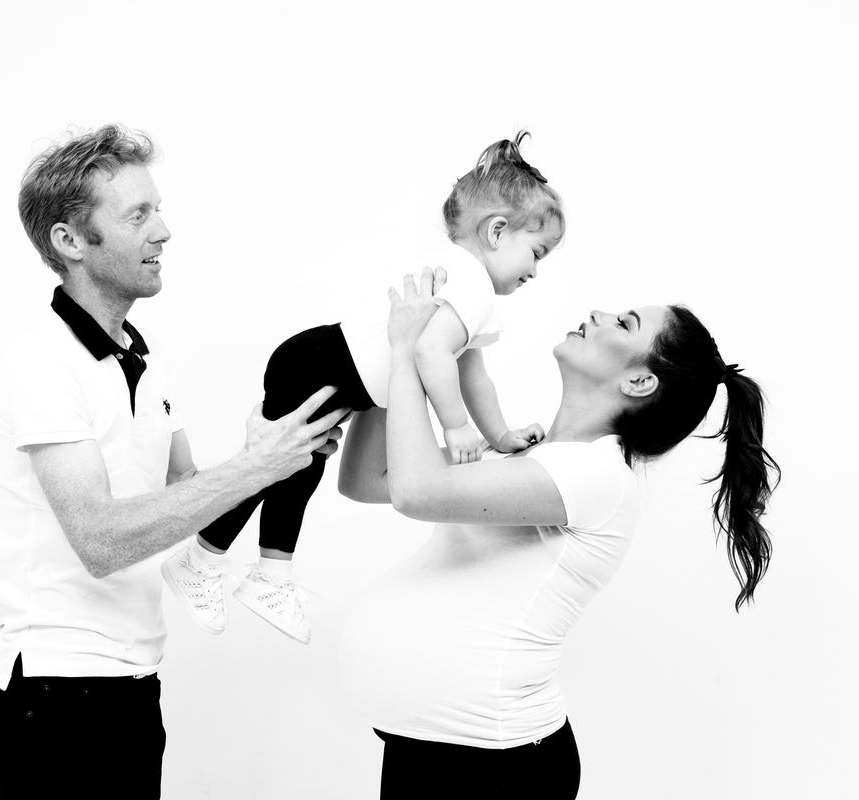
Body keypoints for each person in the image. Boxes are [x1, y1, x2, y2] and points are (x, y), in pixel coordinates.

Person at [0, 124, 349, 799]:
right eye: (137, 215)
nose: (164, 231)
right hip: (54, 695)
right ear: (70, 241)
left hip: (130, 684)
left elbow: (188, 495)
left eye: (158, 210)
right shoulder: (41, 365)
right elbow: (101, 539)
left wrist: (275, 454)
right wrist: (255, 468)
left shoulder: (143, 360)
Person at [335, 269, 781, 800]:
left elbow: (415, 493)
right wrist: (397, 359)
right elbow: (368, 480)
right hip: (435, 749)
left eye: (625, 323)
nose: (598, 314)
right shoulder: (528, 455)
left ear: (639, 382)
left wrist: (407, 350)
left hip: (494, 766)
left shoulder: (596, 474)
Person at [162, 132, 565, 644]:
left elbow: (472, 372)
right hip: (318, 367)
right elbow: (431, 353)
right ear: (498, 231)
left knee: (291, 473)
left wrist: (500, 435)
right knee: (278, 470)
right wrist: (457, 426)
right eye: (537, 252)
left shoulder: (465, 282)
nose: (535, 270)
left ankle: (259, 573)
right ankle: (211, 562)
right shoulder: (473, 285)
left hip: (320, 366)